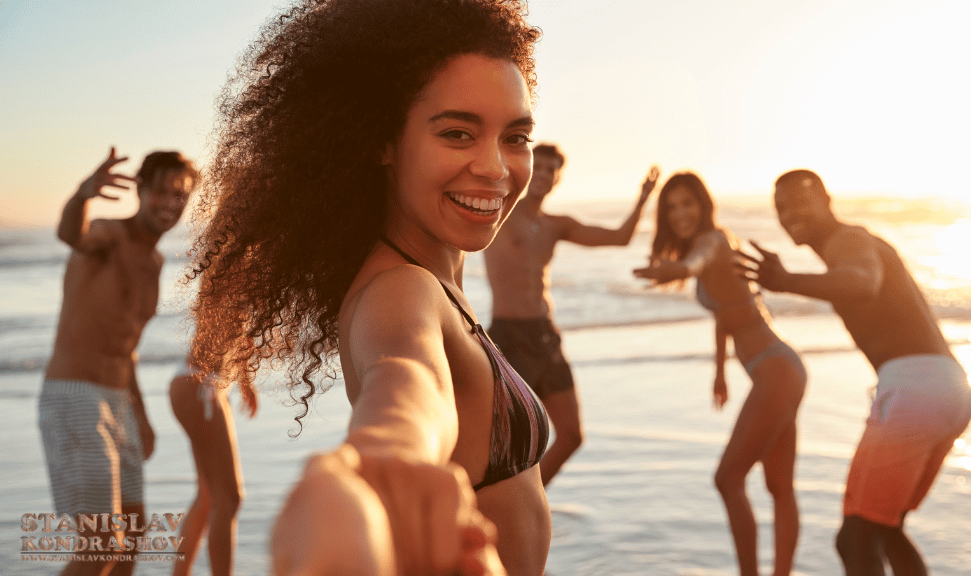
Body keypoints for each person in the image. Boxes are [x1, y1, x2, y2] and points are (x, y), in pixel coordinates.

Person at [186, 0, 545, 574]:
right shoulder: (400, 288)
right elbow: (404, 377)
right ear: (382, 141)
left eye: (515, 136)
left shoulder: (433, 274)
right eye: (458, 133)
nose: (496, 168)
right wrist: (381, 462)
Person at [737, 169, 971, 576]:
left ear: (827, 200)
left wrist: (788, 280)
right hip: (948, 389)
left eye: (800, 201)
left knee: (855, 540)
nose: (790, 213)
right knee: (886, 528)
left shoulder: (847, 239)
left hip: (913, 390)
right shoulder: (850, 244)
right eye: (781, 207)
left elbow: (864, 282)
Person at [633, 172, 806, 576]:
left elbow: (697, 265)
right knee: (779, 487)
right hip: (779, 369)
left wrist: (680, 270)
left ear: (703, 204)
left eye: (687, 203)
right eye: (672, 207)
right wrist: (720, 371)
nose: (680, 213)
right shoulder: (709, 245)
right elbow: (725, 312)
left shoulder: (714, 241)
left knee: (728, 479)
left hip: (776, 371)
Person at [39, 147, 198, 575]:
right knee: (102, 541)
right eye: (161, 192)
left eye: (180, 195)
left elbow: (126, 346)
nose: (170, 203)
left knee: (134, 529)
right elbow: (72, 234)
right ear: (141, 190)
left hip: (117, 403)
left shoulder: (154, 261)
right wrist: (82, 195)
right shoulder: (110, 234)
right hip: (74, 397)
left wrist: (140, 415)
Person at [484, 143, 659, 486]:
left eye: (553, 170)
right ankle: (503, 507)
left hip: (545, 334)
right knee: (506, 443)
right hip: (508, 336)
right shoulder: (499, 209)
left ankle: (531, 498)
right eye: (541, 166)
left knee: (571, 435)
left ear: (557, 179)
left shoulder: (555, 225)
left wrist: (642, 200)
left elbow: (620, 238)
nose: (545, 174)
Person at [169, 341, 253, 576]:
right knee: (228, 499)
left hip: (197, 384)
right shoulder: (228, 301)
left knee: (208, 497)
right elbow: (227, 326)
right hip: (202, 386)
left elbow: (238, 334)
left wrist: (245, 381)